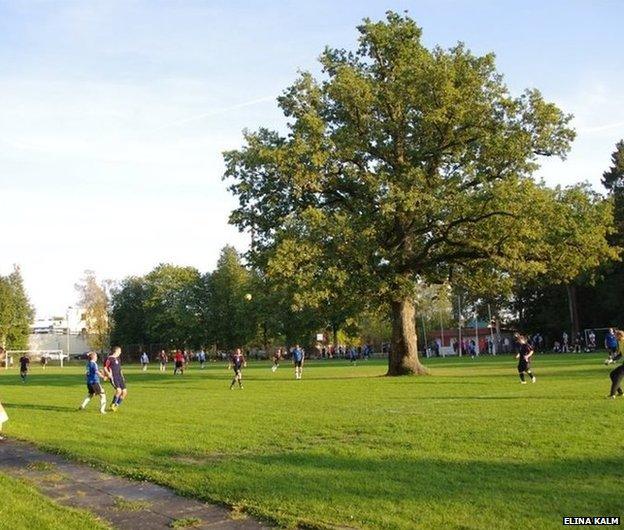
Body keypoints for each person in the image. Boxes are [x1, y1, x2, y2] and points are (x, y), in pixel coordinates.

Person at [104, 346, 127, 412]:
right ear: (116, 351)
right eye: (120, 351)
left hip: (120, 377)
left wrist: (122, 376)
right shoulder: (109, 358)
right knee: (119, 390)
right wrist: (108, 374)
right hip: (114, 377)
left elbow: (120, 369)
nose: (120, 352)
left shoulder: (118, 359)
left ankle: (116, 405)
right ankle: (112, 404)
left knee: (125, 392)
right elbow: (105, 367)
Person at [607, 330, 624, 399]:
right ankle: (620, 393)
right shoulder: (619, 342)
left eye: (616, 335)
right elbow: (620, 354)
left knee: (618, 377)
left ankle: (612, 395)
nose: (615, 337)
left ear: (620, 336)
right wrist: (611, 360)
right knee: (612, 374)